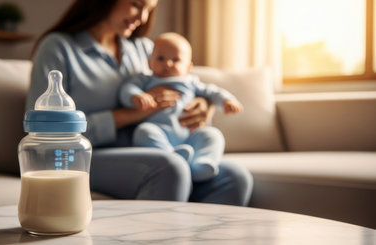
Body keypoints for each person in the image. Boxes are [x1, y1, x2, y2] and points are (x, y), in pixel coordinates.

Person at [26, 0, 253, 205]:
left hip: (149, 148)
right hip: (79, 156)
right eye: (136, 4)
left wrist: (205, 105)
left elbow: (184, 85)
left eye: (149, 10)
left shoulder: (143, 48)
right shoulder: (58, 47)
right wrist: (137, 112)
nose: (143, 18)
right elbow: (43, 130)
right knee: (170, 167)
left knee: (235, 177)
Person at [119, 32, 243, 182]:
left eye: (176, 60)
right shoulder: (146, 80)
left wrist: (227, 101)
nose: (168, 64)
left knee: (213, 135)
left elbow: (212, 91)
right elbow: (127, 89)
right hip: (160, 132)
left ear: (188, 67)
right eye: (161, 58)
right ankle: (171, 157)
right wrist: (137, 97)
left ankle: (202, 164)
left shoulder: (191, 82)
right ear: (149, 63)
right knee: (143, 132)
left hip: (191, 136)